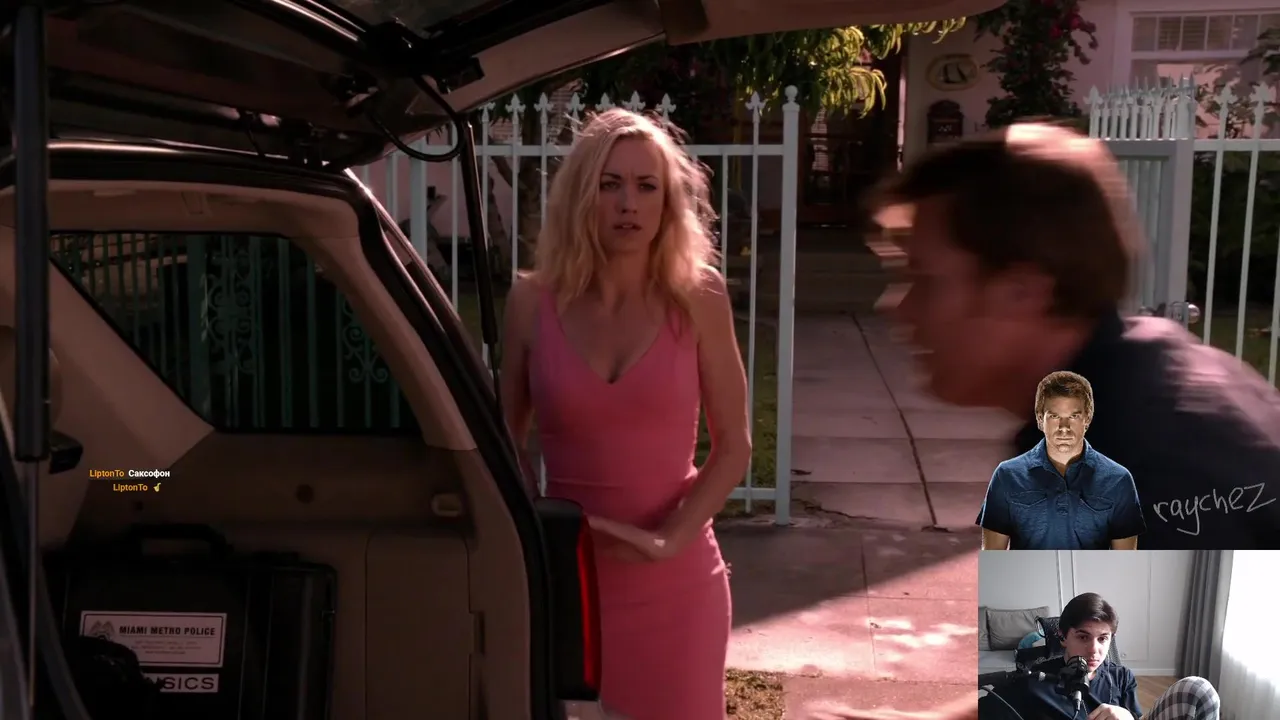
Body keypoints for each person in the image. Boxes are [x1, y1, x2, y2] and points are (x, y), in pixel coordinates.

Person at [868, 122, 1280, 550]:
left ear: (1021, 293)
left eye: (925, 280)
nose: (898, 307)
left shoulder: (1130, 473)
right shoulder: (1149, 374)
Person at [499, 108, 751, 720]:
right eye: (609, 184)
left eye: (646, 186)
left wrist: (667, 540)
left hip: (679, 584)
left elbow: (734, 447)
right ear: (582, 196)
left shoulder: (699, 296)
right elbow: (504, 441)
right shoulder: (531, 300)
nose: (628, 204)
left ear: (668, 202)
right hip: (567, 584)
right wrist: (535, 529)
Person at [978, 592, 1220, 720]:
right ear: (1063, 636)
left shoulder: (1122, 677)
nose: (1094, 650)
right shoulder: (1032, 681)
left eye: (1103, 639)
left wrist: (1127, 717)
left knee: (1198, 689)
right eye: (1083, 637)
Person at [978, 370, 1145, 550]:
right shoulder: (1008, 475)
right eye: (1054, 416)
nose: (1064, 428)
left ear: (1087, 418)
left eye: (1074, 416)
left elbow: (1125, 562)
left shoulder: (1118, 480)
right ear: (1040, 419)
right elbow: (993, 558)